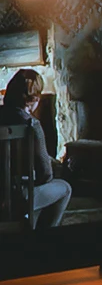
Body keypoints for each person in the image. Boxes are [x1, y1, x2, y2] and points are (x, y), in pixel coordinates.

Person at [0, 69, 72, 228]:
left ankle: (28, 225)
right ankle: (43, 239)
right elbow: (45, 175)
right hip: (15, 198)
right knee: (64, 188)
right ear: (34, 99)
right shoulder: (32, 126)